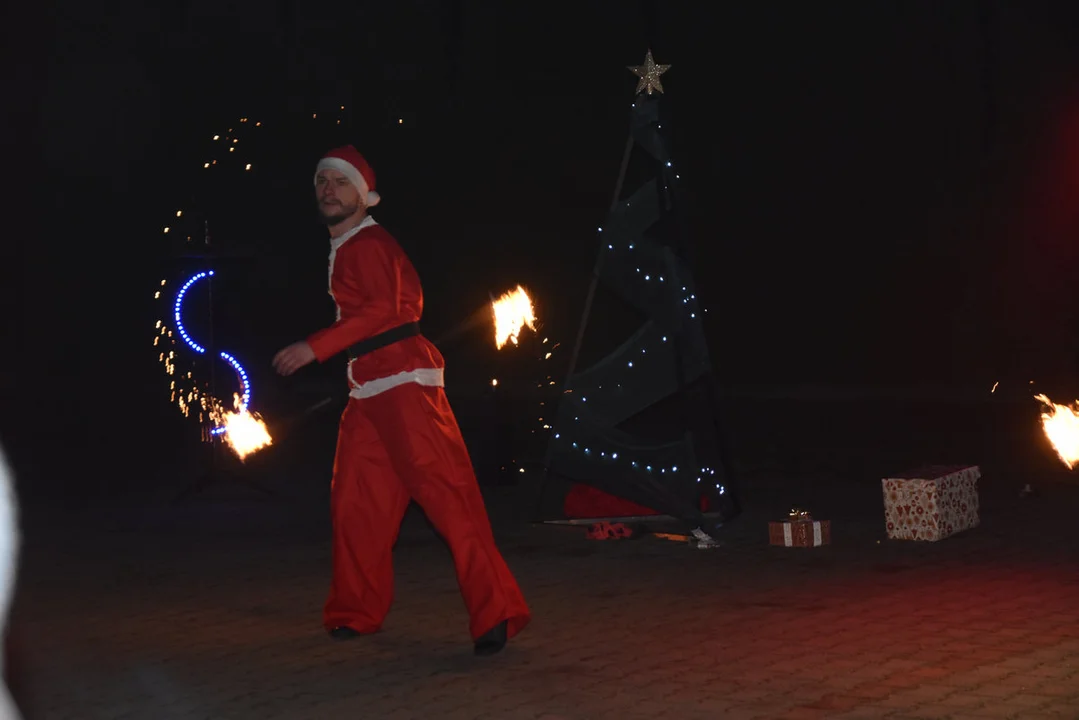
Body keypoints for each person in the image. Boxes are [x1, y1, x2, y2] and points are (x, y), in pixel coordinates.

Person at [273, 145, 530, 656]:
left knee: (447, 499)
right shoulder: (347, 246)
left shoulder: (369, 244)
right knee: (356, 504)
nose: (328, 188)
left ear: (365, 196)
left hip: (404, 386)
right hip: (368, 390)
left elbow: (384, 310)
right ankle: (354, 611)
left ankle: (496, 611)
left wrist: (314, 346)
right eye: (322, 180)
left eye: (340, 182)